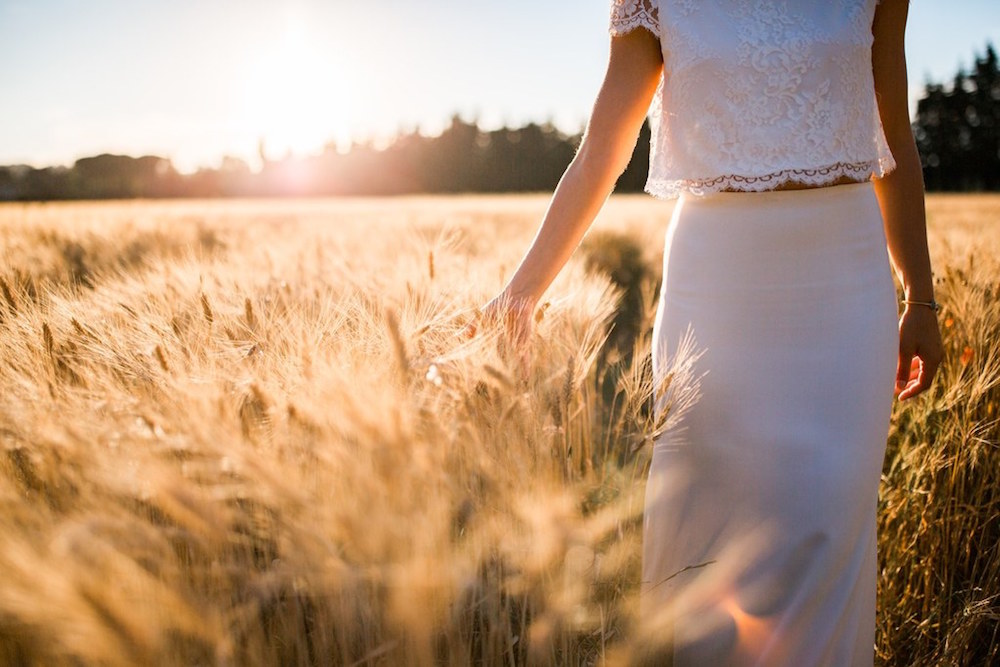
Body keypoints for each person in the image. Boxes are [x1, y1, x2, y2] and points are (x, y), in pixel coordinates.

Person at [478, 0, 942, 664]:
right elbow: (602, 150)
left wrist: (920, 294)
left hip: (844, 284)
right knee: (715, 546)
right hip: (715, 291)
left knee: (825, 529)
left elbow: (894, 138)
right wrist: (520, 293)